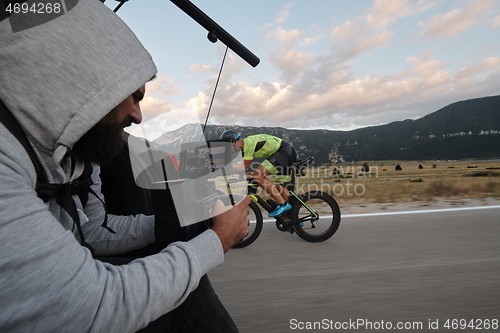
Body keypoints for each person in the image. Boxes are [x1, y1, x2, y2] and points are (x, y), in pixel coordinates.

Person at [0, 1, 249, 332]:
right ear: (88, 85)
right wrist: (219, 239)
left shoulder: (79, 156)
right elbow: (90, 307)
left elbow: (91, 231)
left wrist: (164, 227)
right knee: (186, 289)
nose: (138, 115)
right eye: (134, 95)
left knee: (184, 283)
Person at [220, 130, 298, 217]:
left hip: (284, 152)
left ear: (232, 143)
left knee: (258, 175)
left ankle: (283, 205)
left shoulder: (248, 143)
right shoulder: (242, 151)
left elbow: (243, 166)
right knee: (280, 186)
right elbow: (240, 169)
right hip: (286, 152)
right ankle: (292, 217)